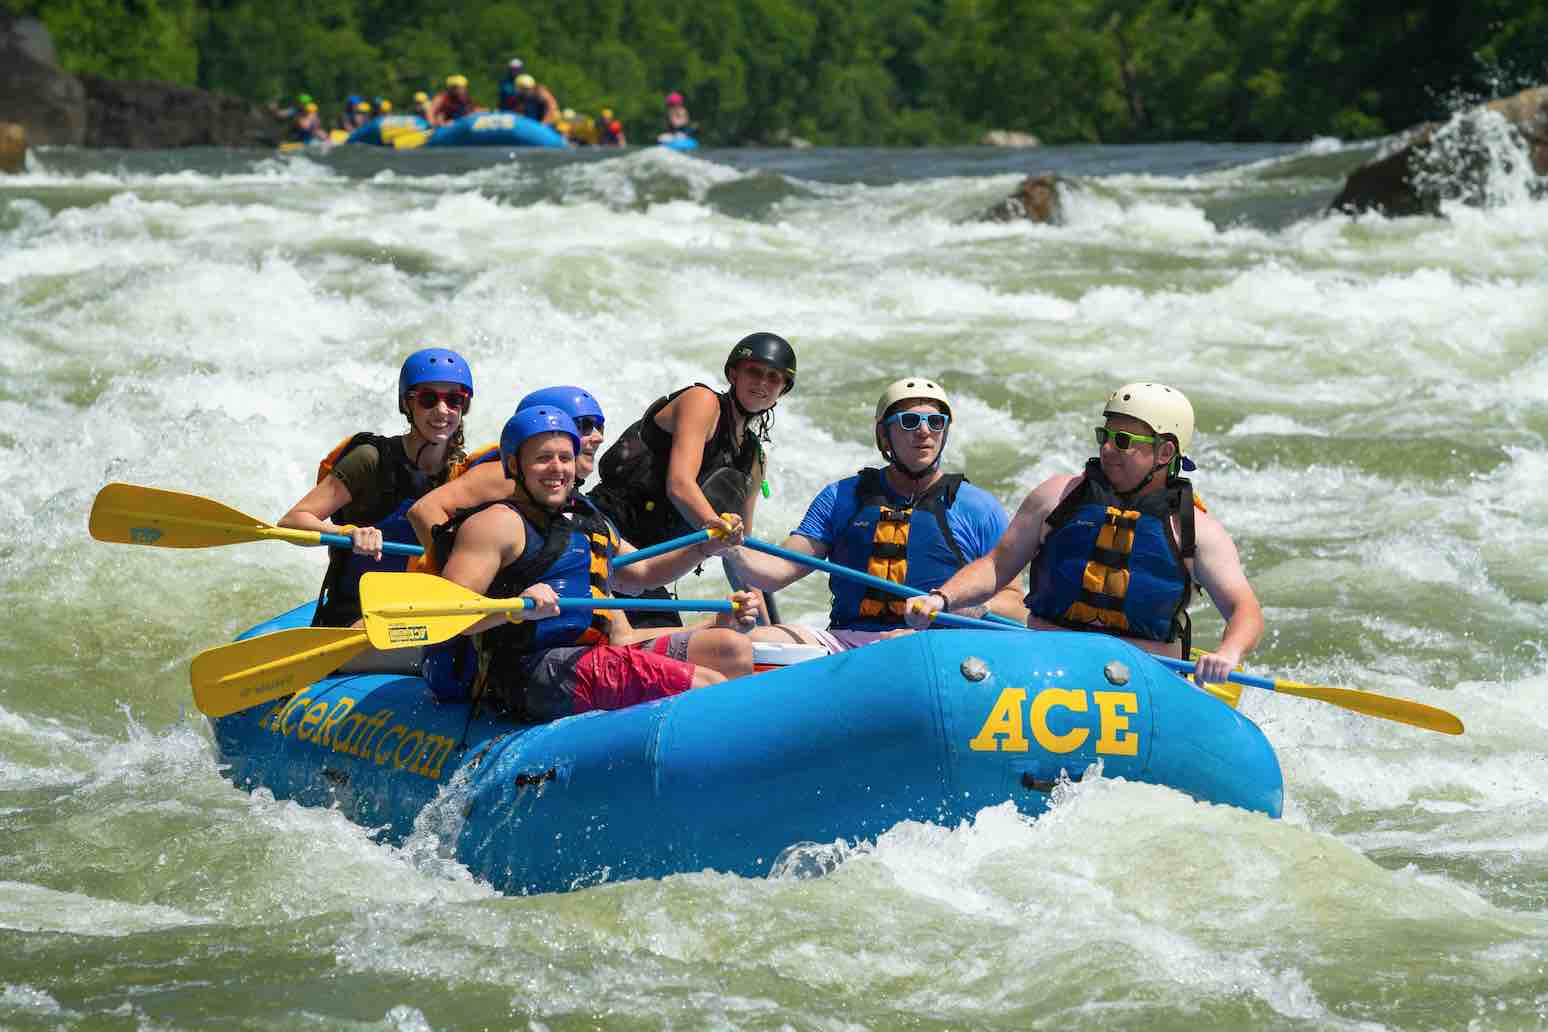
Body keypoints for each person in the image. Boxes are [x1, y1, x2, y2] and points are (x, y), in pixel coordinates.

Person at [905, 383, 1263, 685]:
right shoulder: (1056, 497)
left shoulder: (1194, 529)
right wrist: (943, 597)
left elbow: (1244, 608)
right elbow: (997, 565)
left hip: (1145, 680)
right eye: (1104, 436)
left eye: (1123, 440)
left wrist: (1228, 653)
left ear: (1164, 451)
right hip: (1049, 669)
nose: (1107, 449)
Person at [434, 406, 760, 722]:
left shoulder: (588, 520)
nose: (557, 468)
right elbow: (447, 613)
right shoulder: (495, 524)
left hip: (594, 652)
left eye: (564, 458)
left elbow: (643, 574)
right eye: (543, 458)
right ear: (514, 465)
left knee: (730, 649)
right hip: (524, 672)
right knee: (707, 687)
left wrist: (704, 546)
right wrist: (511, 609)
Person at [724, 377, 1024, 653]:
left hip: (939, 643)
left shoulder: (977, 507)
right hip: (848, 642)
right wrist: (732, 548)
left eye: (935, 421)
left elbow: (1015, 604)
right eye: (909, 421)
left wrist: (955, 609)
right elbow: (777, 573)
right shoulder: (841, 497)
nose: (924, 431)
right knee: (746, 643)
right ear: (884, 434)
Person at [588, 333, 793, 627]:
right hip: (603, 541)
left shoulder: (755, 458)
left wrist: (767, 628)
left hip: (650, 571)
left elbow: (739, 549)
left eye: (774, 378)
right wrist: (718, 529)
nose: (762, 383)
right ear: (734, 373)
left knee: (676, 659)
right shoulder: (702, 402)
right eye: (754, 371)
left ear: (783, 389)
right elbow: (679, 485)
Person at [277, 348, 474, 627]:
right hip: (355, 614)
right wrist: (348, 532)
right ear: (408, 405)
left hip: (423, 614)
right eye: (428, 399)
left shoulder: (463, 474)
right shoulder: (371, 459)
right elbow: (292, 523)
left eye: (453, 400)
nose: (441, 411)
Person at [407, 384, 608, 553]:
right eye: (585, 425)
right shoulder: (505, 476)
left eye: (600, 426)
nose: (599, 437)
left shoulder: (568, 495)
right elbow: (424, 510)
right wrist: (464, 567)